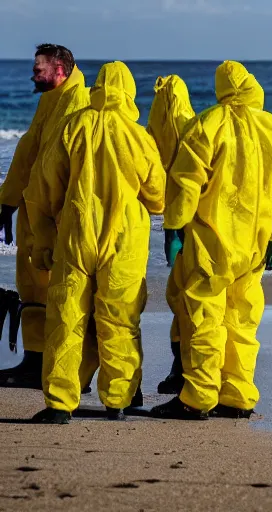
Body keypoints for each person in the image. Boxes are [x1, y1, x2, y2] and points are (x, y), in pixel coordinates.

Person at [151, 61, 272, 420]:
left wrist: (173, 228)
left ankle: (198, 397)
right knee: (243, 321)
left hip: (212, 243)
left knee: (204, 318)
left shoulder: (208, 124)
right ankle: (237, 395)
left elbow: (186, 181)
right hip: (254, 247)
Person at [25, 61, 166, 424]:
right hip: (124, 239)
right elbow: (159, 196)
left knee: (66, 318)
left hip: (75, 232)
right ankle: (117, 400)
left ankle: (59, 403)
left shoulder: (73, 126)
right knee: (120, 319)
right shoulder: (138, 136)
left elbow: (44, 188)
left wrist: (43, 238)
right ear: (130, 91)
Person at [0, 44, 90, 389]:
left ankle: (65, 367)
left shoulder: (77, 103)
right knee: (32, 286)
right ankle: (34, 361)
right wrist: (8, 202)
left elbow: (69, 168)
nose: (33, 75)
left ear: (60, 68)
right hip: (32, 210)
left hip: (54, 215)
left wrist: (55, 216)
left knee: (58, 291)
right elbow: (28, 153)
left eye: (39, 69)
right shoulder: (49, 100)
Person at [146, 74, 195, 396]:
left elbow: (184, 183)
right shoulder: (200, 129)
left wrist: (172, 225)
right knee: (188, 300)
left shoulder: (153, 133)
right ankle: (191, 373)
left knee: (186, 299)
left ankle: (187, 373)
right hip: (208, 227)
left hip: (195, 226)